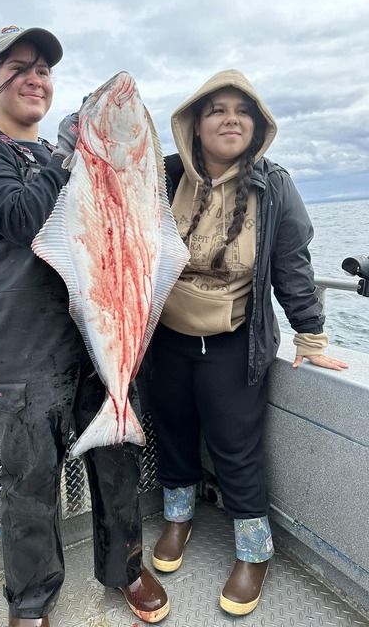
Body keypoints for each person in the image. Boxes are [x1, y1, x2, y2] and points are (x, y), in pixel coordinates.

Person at [0, 25, 169, 627]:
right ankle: (32, 599)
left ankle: (126, 568)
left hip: (93, 343)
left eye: (43, 70)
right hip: (24, 353)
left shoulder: (60, 155)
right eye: (18, 68)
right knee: (30, 486)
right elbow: (21, 218)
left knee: (117, 466)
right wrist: (72, 150)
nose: (34, 79)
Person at [147, 69, 349, 617]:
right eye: (217, 109)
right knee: (171, 431)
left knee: (236, 449)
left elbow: (292, 265)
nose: (230, 118)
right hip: (162, 337)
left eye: (243, 110)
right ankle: (178, 518)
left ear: (258, 125)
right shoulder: (163, 177)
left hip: (233, 340)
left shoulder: (274, 184)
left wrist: (310, 336)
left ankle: (254, 550)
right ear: (194, 123)